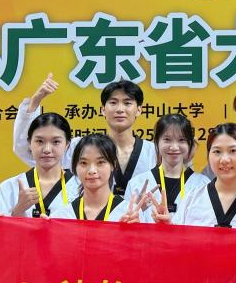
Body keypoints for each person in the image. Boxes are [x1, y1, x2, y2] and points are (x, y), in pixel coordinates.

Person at [12, 74, 157, 195]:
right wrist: (35, 101)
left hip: (140, 220)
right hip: (88, 220)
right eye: (113, 103)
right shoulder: (81, 147)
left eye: (127, 103)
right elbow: (27, 150)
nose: (120, 109)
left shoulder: (153, 153)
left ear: (139, 110)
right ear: (103, 110)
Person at [161, 123, 236, 229]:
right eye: (217, 151)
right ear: (208, 155)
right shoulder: (192, 199)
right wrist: (168, 227)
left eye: (233, 151)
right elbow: (178, 239)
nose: (224, 159)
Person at [48, 134, 152, 222]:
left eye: (100, 162)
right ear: (75, 167)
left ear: (113, 165)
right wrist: (45, 228)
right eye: (84, 163)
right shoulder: (62, 216)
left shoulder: (130, 214)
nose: (92, 170)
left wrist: (135, 231)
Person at [0, 112, 79, 217]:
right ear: (29, 143)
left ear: (67, 145)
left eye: (56, 142)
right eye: (40, 141)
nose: (47, 150)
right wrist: (18, 210)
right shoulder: (9, 187)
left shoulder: (80, 187)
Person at [127, 114, 208, 214]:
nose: (174, 147)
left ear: (190, 144)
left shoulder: (202, 185)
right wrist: (137, 211)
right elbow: (125, 221)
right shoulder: (137, 184)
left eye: (181, 140)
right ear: (157, 142)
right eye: (167, 140)